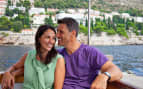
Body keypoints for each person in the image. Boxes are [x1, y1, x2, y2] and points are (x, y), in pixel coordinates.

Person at [56, 17, 123, 89]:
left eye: (61, 32)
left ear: (73, 34)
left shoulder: (90, 52)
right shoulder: (57, 55)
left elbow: (117, 71)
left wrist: (104, 76)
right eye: (57, 31)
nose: (57, 35)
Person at [1, 25, 65, 89]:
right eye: (48, 37)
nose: (51, 41)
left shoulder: (59, 60)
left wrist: (14, 73)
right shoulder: (29, 56)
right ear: (39, 38)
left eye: (53, 38)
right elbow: (14, 67)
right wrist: (7, 72)